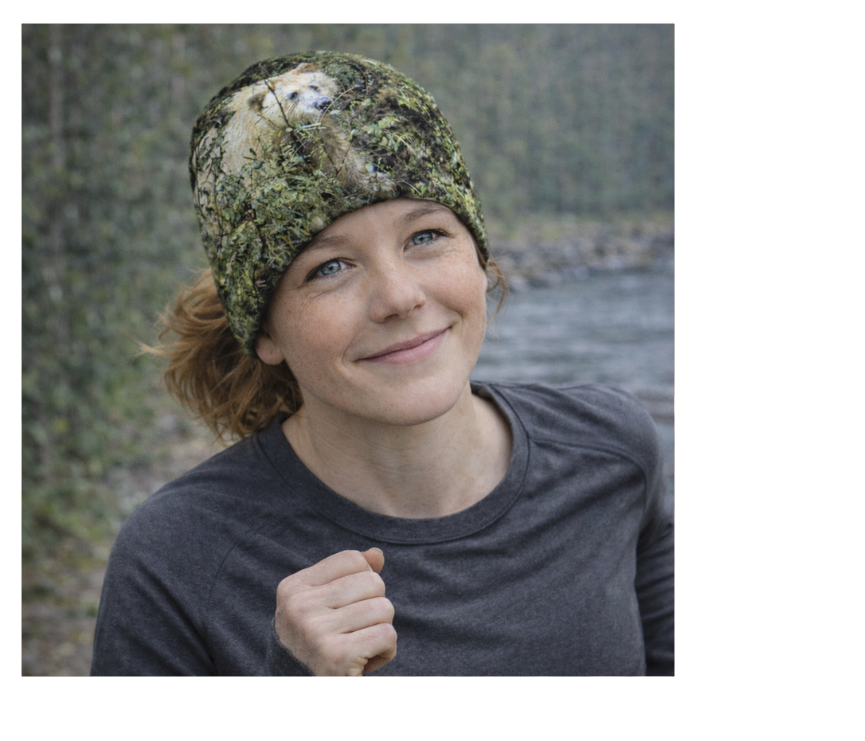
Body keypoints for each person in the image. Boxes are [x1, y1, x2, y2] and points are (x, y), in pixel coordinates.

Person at [91, 52, 674, 676]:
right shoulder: (175, 558)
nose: (399, 297)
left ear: (478, 257)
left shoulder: (612, 451)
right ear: (264, 330)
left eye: (424, 236)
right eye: (329, 268)